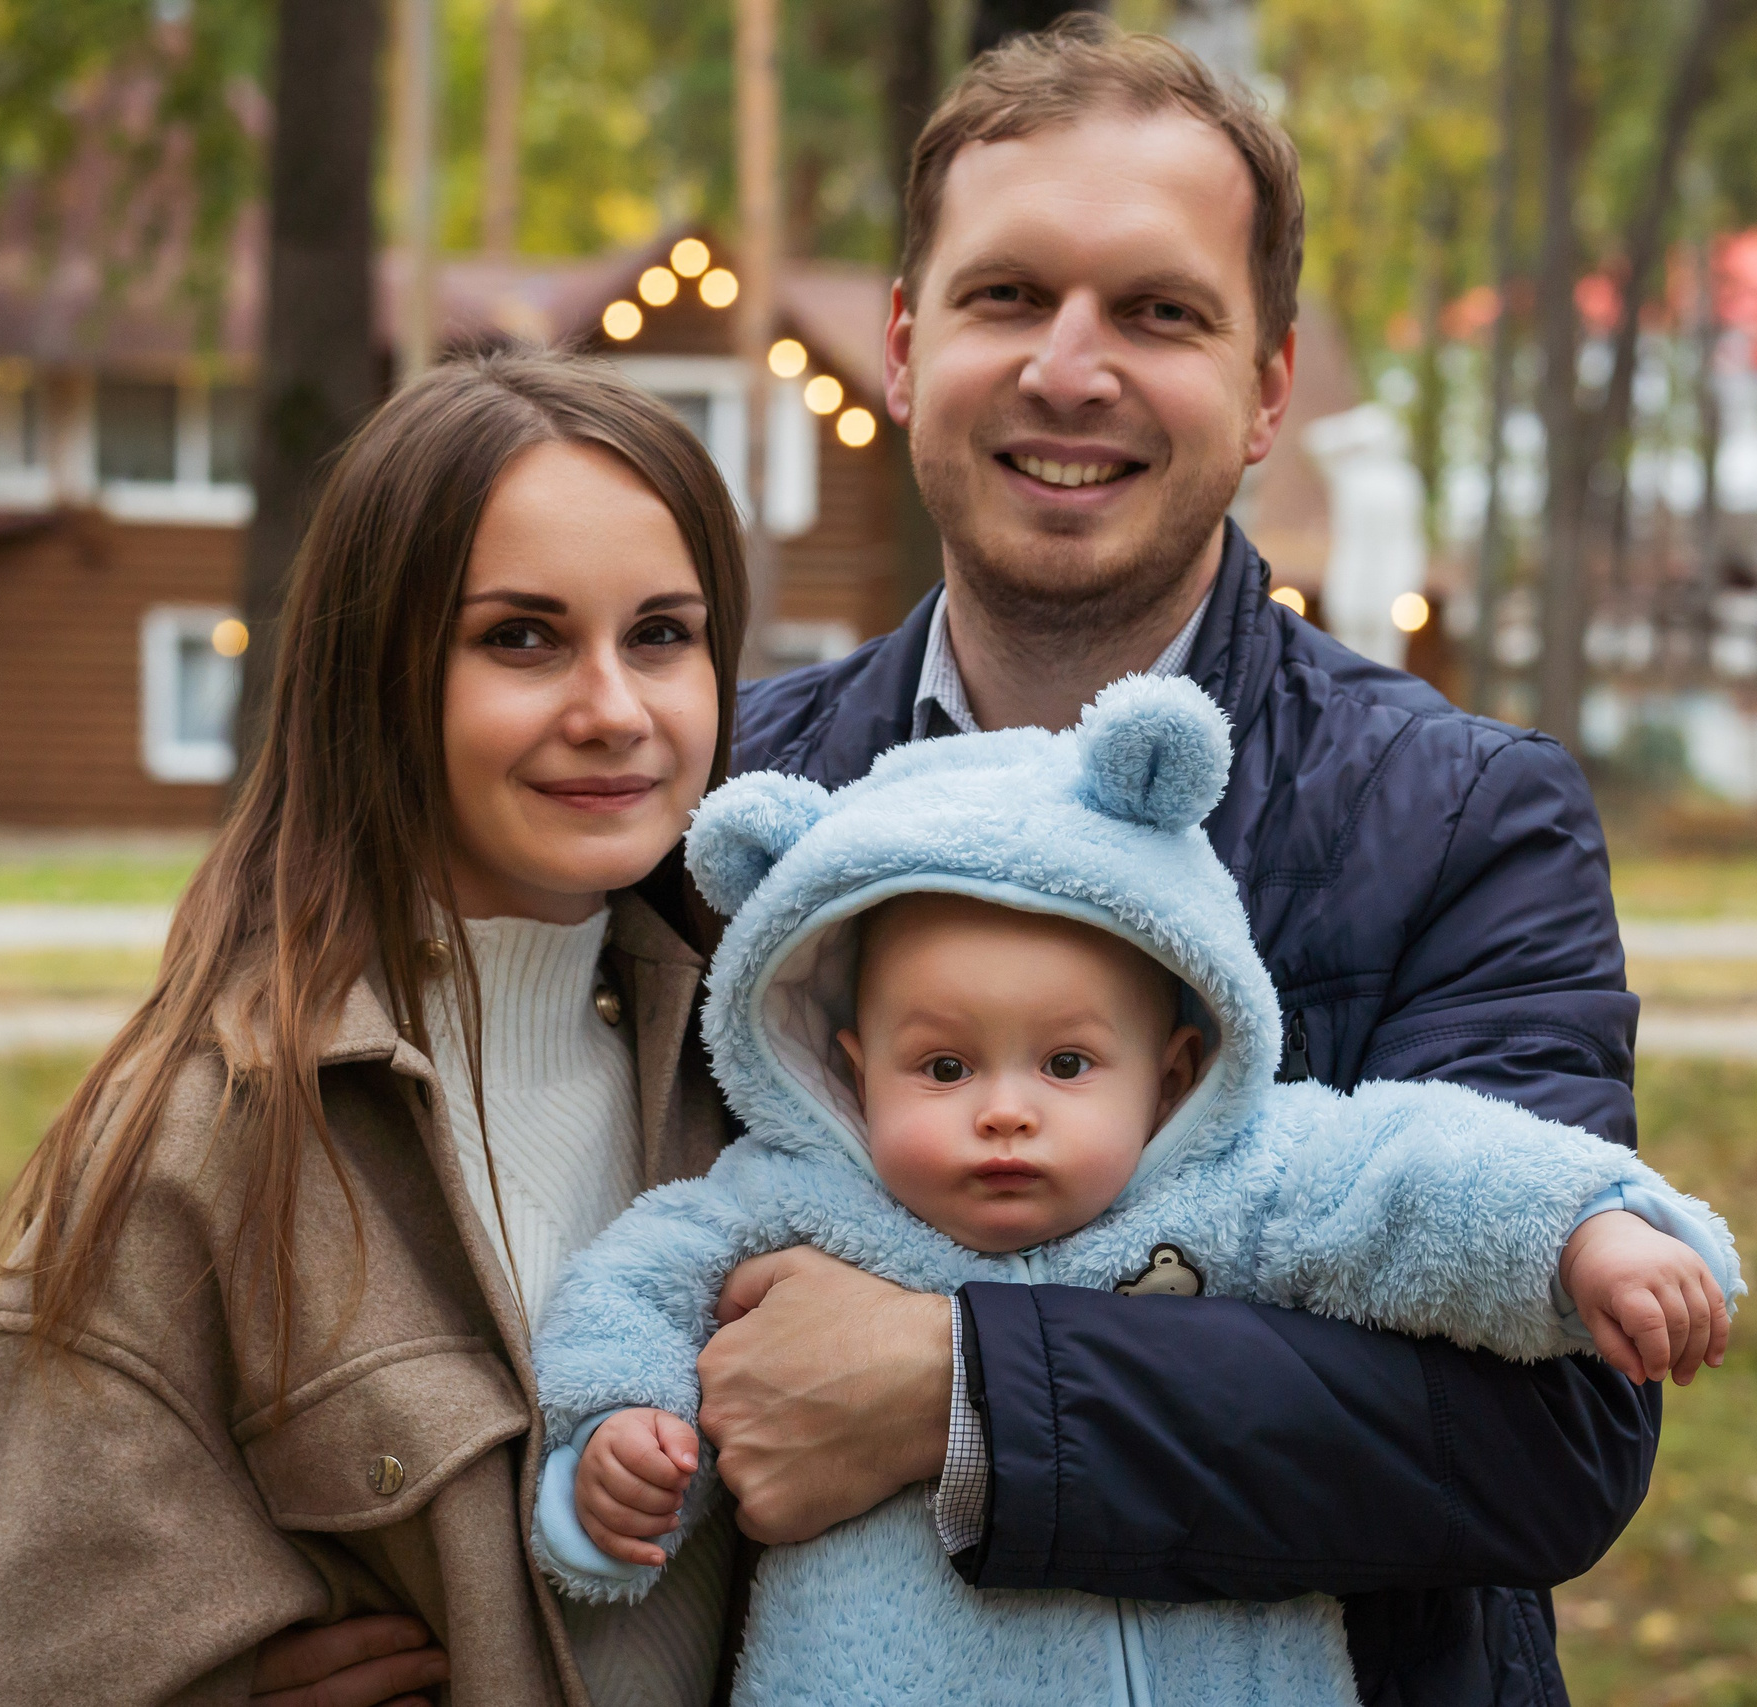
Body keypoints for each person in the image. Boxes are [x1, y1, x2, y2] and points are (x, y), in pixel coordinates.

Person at [702, 21, 1661, 1702]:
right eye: (1009, 298)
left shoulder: (1462, 820)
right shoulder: (729, 800)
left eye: (1159, 312)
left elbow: (1551, 1426)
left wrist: (960, 1384)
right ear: (910, 348)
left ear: (1270, 386)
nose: (1072, 371)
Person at [520, 680, 1737, 1704]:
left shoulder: (1236, 1180)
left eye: (1066, 1065)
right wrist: (614, 1447)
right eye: (942, 1067)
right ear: (843, 1070)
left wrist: (1585, 1232)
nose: (1005, 1109)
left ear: (1175, 1072)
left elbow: (1419, 1176)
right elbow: (631, 1284)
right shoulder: (782, 1201)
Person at [0, 352, 753, 1707]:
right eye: (522, 637)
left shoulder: (782, 1080)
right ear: (380, 675)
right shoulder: (195, 1152)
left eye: (662, 633)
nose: (615, 708)